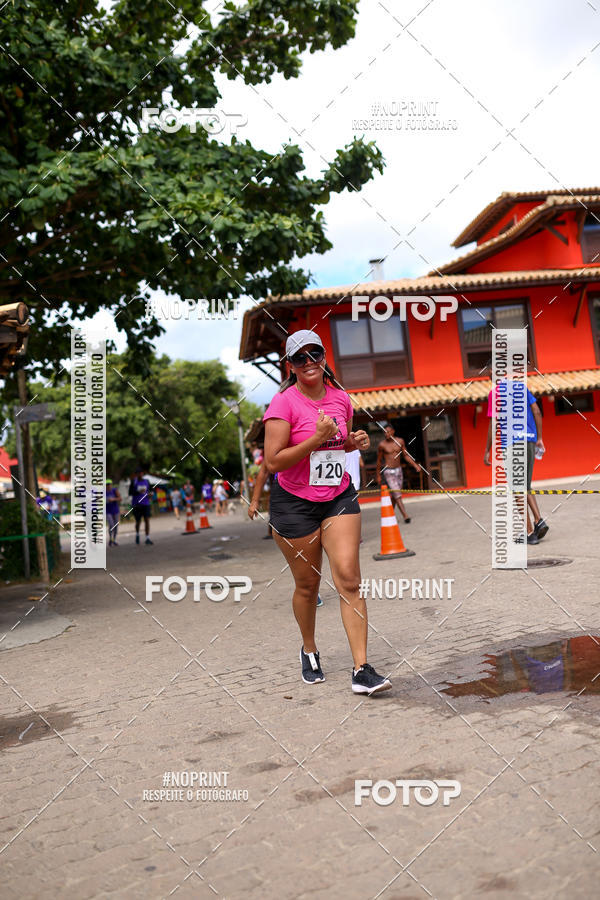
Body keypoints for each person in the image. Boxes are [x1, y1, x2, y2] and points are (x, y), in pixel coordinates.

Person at [264, 329, 391, 694]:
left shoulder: (341, 399)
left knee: (349, 579)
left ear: (323, 357)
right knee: (308, 585)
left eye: (313, 354)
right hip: (294, 504)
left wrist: (354, 442)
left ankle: (362, 669)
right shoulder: (283, 404)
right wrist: (316, 438)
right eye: (299, 358)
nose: (308, 362)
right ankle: (309, 648)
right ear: (290, 365)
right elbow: (273, 462)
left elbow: (339, 445)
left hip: (338, 498)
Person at [484, 379, 548, 544]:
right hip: (529, 441)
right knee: (525, 485)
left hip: (512, 444)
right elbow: (537, 411)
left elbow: (493, 423)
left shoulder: (494, 393)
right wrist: (539, 438)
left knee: (517, 488)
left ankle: (529, 533)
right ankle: (538, 520)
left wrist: (487, 449)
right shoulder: (521, 387)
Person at [376, 424, 421, 523]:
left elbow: (405, 455)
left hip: (399, 471)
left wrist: (415, 465)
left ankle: (389, 514)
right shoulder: (382, 445)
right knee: (397, 494)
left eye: (387, 431)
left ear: (393, 431)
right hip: (388, 471)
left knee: (396, 495)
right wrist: (378, 475)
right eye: (384, 432)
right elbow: (379, 461)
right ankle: (405, 516)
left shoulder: (400, 441)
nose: (386, 434)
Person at [129, 467, 153, 545]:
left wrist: (150, 494)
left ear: (143, 474)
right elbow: (130, 492)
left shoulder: (147, 481)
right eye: (138, 473)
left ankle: (147, 538)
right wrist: (138, 491)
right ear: (136, 474)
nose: (140, 474)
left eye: (141, 473)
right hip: (136, 504)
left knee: (147, 520)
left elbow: (149, 491)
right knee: (138, 522)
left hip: (146, 504)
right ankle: (137, 534)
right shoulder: (133, 482)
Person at [106, 479, 122, 546]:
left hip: (115, 510)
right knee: (111, 525)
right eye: (107, 485)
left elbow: (120, 498)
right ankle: (110, 538)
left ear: (111, 485)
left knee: (116, 526)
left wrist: (113, 499)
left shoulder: (114, 490)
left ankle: (114, 540)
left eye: (109, 484)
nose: (108, 486)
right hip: (108, 511)